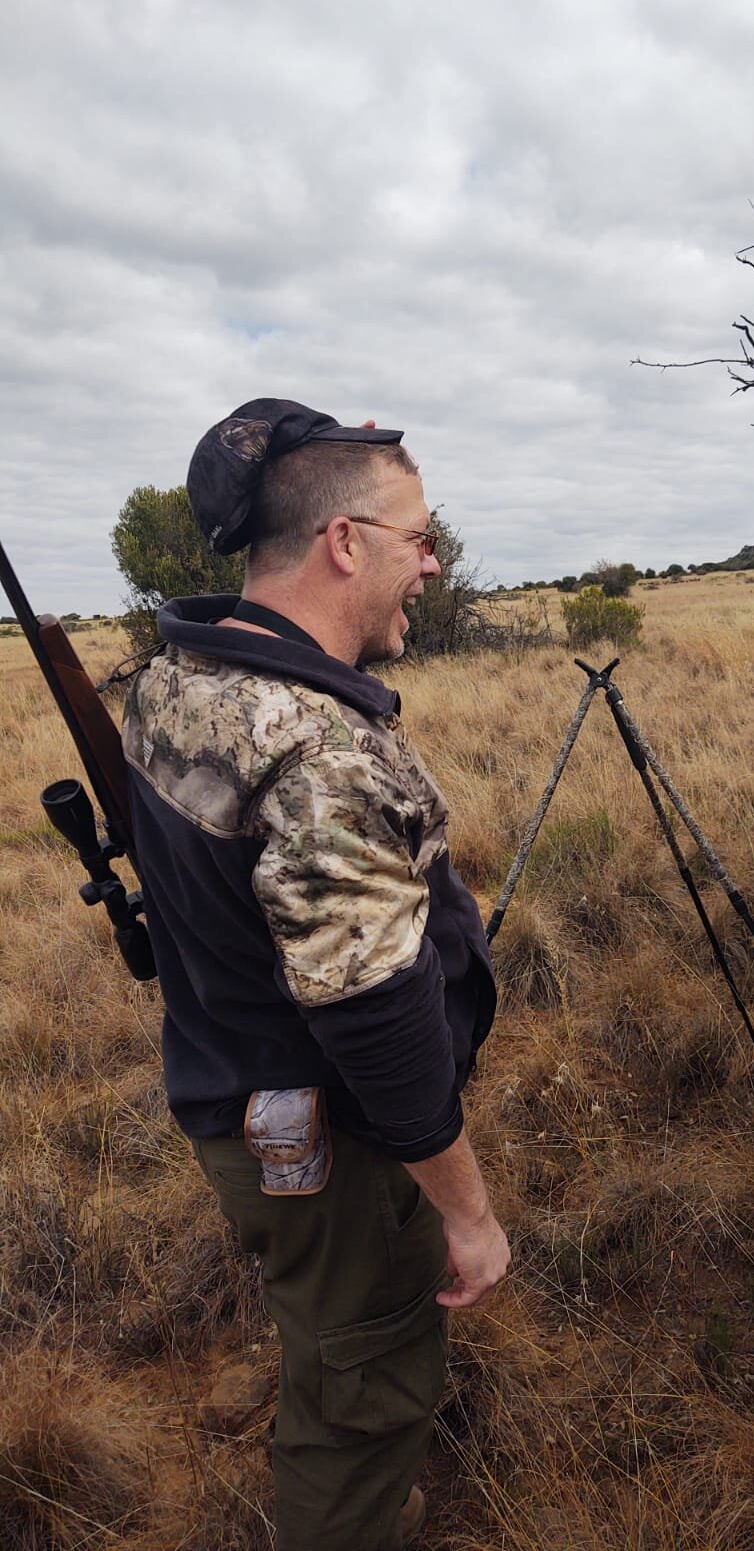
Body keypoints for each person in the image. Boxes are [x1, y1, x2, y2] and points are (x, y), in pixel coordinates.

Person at [122, 398, 510, 1550]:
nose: (430, 564)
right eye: (417, 538)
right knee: (365, 1389)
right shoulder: (318, 752)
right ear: (346, 541)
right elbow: (379, 1029)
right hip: (333, 1143)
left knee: (331, 1341)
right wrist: (471, 1214)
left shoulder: (174, 675)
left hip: (231, 1100)